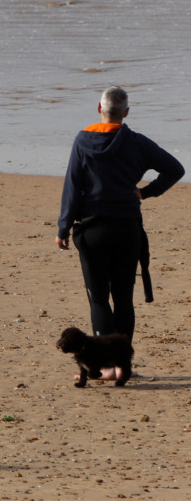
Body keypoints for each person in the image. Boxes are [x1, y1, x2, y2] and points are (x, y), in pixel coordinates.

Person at [57, 87, 183, 369]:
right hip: (127, 228)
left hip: (92, 230)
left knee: (99, 299)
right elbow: (175, 169)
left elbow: (72, 186)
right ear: (126, 112)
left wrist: (64, 227)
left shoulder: (82, 141)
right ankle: (122, 365)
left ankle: (107, 367)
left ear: (98, 109)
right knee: (124, 299)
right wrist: (146, 192)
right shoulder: (138, 143)